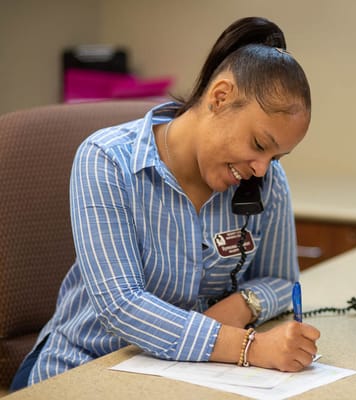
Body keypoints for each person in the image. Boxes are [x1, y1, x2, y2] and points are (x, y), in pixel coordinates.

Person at [10, 16, 320, 391]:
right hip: (85, 368)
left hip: (187, 371)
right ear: (220, 97)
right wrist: (249, 346)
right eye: (258, 144)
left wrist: (241, 306)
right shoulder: (107, 160)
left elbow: (282, 280)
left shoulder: (264, 181)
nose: (261, 168)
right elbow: (121, 306)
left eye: (277, 156)